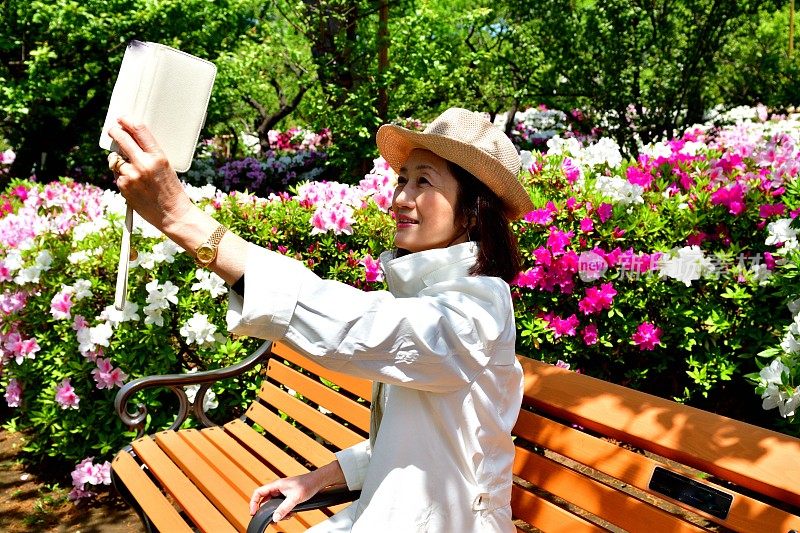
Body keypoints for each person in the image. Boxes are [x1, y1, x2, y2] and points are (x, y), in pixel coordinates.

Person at [107, 107, 534, 532]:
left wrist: (183, 219)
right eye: (403, 178)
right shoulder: (428, 295)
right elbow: (420, 442)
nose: (401, 197)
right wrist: (317, 480)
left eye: (424, 181)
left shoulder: (478, 308)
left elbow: (360, 327)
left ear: (475, 210)